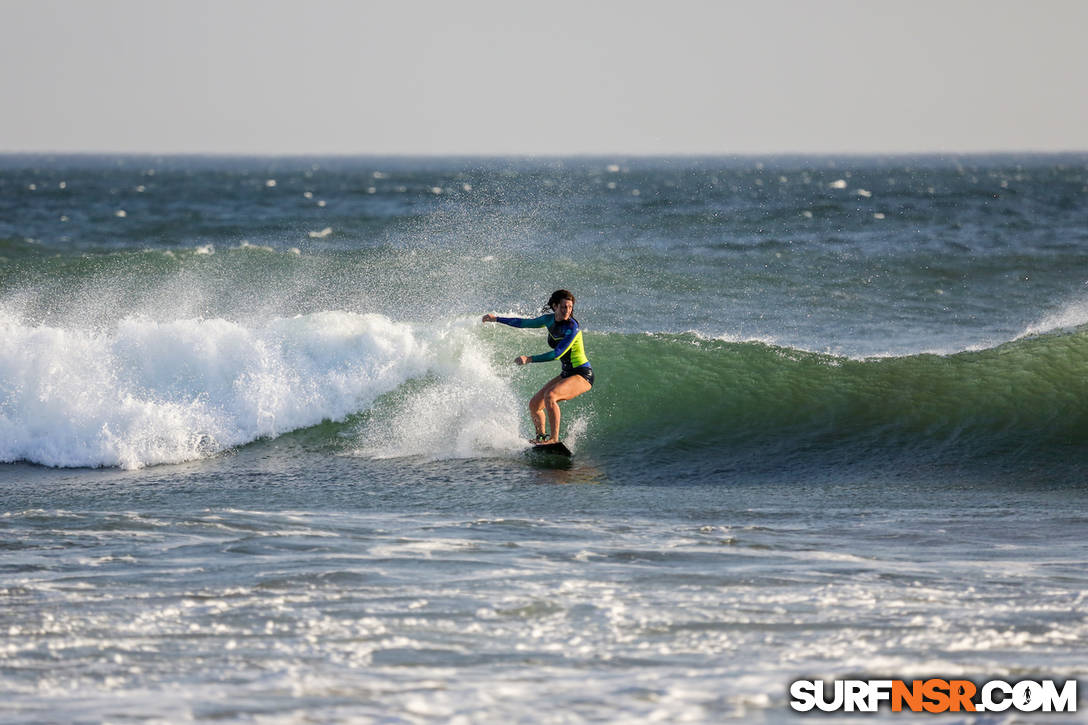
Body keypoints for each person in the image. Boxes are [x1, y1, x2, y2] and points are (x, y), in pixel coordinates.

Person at [482, 289, 593, 445]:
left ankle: (554, 439)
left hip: (582, 374)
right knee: (535, 404)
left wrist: (529, 359)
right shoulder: (548, 320)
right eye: (563, 307)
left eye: (570, 307)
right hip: (567, 373)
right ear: (555, 306)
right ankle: (541, 437)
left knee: (551, 396)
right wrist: (497, 319)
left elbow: (556, 354)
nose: (567, 311)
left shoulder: (572, 328)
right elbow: (523, 323)